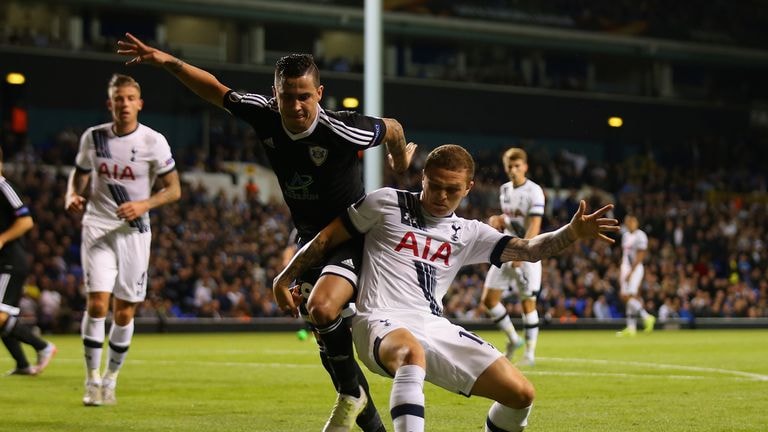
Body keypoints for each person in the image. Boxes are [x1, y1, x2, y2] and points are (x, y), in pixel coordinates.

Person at [117, 33, 416, 432]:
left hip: (352, 234)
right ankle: (370, 421)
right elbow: (215, 89)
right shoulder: (264, 113)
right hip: (309, 239)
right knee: (328, 344)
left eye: (304, 96)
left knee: (324, 311)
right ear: (274, 94)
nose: (295, 105)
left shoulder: (345, 130)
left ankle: (353, 391)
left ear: (319, 93)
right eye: (287, 96)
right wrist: (166, 60)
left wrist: (398, 161)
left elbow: (393, 127)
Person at [274, 144, 619, 432]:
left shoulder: (470, 233)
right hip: (378, 320)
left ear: (468, 188)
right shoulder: (384, 203)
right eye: (434, 185)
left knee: (521, 394)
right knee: (412, 354)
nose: (441, 196)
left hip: (433, 325)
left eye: (452, 189)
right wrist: (285, 277)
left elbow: (530, 250)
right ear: (422, 177)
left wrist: (571, 233)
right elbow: (326, 239)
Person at [65, 73, 181, 406]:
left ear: (139, 103)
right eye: (119, 98)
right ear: (110, 103)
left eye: (130, 98)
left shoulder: (153, 142)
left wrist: (145, 203)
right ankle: (92, 380)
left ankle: (112, 380)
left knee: (124, 313)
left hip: (135, 233)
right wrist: (72, 194)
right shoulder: (94, 138)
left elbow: (174, 190)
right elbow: (78, 173)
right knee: (97, 303)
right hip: (98, 227)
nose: (124, 103)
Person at [480, 148, 545, 365]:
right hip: (506, 249)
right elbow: (510, 219)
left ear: (525, 167)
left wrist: (523, 253)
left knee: (528, 303)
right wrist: (497, 220)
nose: (513, 170)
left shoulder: (534, 191)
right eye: (509, 166)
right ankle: (514, 339)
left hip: (526, 254)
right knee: (489, 301)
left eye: (517, 166)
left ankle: (530, 354)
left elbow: (535, 225)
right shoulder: (504, 189)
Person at [0, 147, 57, 376]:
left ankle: (43, 346)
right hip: (3, 261)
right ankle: (23, 364)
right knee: (5, 318)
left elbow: (26, 221)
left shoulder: (3, 186)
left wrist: (2, 238)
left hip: (10, 261)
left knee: (0, 316)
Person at [616, 214, 656, 336]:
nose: (630, 224)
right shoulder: (625, 236)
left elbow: (641, 254)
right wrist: (622, 270)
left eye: (632, 221)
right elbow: (625, 254)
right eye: (628, 222)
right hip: (626, 268)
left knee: (629, 296)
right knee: (626, 296)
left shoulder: (641, 235)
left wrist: (631, 271)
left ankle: (646, 317)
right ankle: (631, 327)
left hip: (635, 268)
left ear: (637, 223)